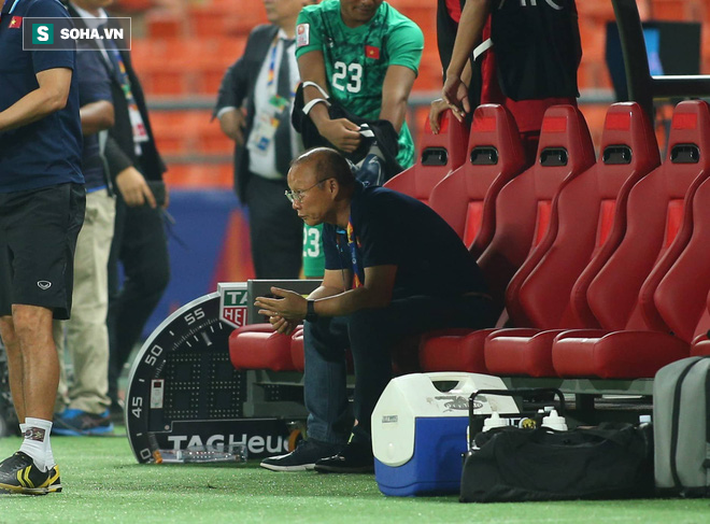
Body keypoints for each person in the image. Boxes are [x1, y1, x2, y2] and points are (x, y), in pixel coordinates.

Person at [256, 148, 496, 473]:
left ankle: (369, 442)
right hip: (411, 303)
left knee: (365, 321)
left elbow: (374, 295)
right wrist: (299, 310)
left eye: (300, 193)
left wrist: (308, 307)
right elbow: (333, 286)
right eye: (291, 194)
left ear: (331, 187)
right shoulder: (333, 221)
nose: (294, 203)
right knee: (319, 324)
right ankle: (324, 440)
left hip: (463, 303)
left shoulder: (376, 209)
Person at [66, 0, 170, 417]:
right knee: (100, 289)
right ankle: (100, 393)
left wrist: (151, 169)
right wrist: (121, 165)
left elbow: (129, 101)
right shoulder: (58, 22)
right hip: (100, 175)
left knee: (153, 274)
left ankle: (108, 379)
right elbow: (82, 109)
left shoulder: (108, 23)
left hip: (134, 168)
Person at [0, 0, 85, 494]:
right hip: (4, 186)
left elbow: (54, 92)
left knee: (32, 318)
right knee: (9, 327)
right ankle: (30, 454)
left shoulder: (43, 9)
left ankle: (37, 454)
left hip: (44, 185)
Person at [294, 0, 423, 279]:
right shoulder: (313, 19)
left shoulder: (402, 31)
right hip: (328, 166)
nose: (367, 1)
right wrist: (325, 125)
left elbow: (396, 99)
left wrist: (375, 154)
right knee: (322, 273)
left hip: (385, 161)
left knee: (380, 273)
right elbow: (311, 83)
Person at [214, 0, 317, 279]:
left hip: (317, 183)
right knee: (273, 280)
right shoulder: (261, 38)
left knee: (325, 275)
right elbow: (234, 75)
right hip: (266, 184)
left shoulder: (326, 40)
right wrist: (227, 108)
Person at [52, 3, 117, 436]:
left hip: (85, 187)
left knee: (86, 303)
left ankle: (91, 403)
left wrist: (40, 119)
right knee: (39, 306)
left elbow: (104, 110)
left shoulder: (64, 29)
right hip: (38, 188)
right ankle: (47, 400)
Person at [439, 0, 581, 163]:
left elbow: (479, 3)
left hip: (509, 108)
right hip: (563, 109)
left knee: (503, 177)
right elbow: (575, 46)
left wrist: (453, 74)